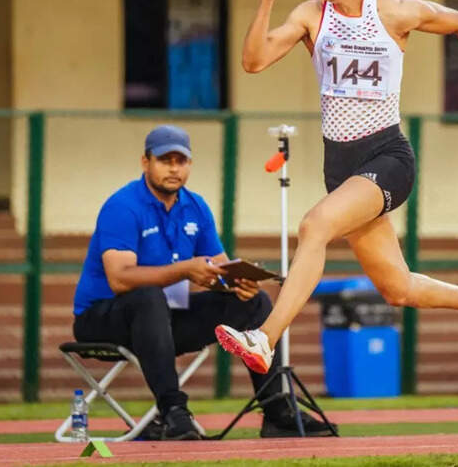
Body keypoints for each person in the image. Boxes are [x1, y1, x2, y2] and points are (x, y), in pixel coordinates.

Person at [216, 0, 458, 374]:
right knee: (397, 288)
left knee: (314, 225)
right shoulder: (310, 16)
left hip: (387, 157)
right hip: (340, 166)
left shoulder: (393, 12)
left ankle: (265, 338)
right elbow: (254, 61)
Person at [72, 124, 333, 439]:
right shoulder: (123, 206)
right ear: (145, 162)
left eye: (180, 161)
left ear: (189, 165)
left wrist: (239, 283)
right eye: (164, 160)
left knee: (254, 301)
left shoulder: (195, 207)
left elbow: (219, 267)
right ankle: (172, 411)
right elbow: (119, 279)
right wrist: (186, 270)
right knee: (149, 297)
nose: (173, 168)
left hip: (162, 320)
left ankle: (277, 411)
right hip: (100, 319)